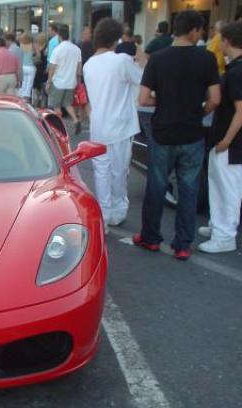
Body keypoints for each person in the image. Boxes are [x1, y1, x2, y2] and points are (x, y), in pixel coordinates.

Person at [134, 10, 221, 260]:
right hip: (192, 133)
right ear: (194, 30)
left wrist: (163, 100)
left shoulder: (158, 59)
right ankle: (183, 244)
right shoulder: (206, 59)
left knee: (156, 186)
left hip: (162, 132)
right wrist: (199, 110)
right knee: (189, 189)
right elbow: (215, 99)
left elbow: (143, 98)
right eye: (201, 30)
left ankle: (150, 237)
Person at [83, 18, 145, 230]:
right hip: (120, 125)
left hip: (98, 124)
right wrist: (142, 59)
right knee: (119, 170)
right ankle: (117, 210)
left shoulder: (89, 64)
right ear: (116, 38)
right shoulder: (122, 60)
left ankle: (104, 213)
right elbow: (142, 80)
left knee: (101, 170)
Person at [198, 22, 242, 253]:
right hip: (226, 141)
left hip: (230, 143)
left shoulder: (237, 72)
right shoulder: (234, 69)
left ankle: (225, 235)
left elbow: (241, 111)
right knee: (219, 185)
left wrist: (226, 139)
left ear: (226, 41)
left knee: (228, 189)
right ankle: (218, 226)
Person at [47, 24, 82, 133]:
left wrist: (49, 81)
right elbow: (79, 66)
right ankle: (76, 120)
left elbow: (52, 67)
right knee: (67, 104)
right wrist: (78, 80)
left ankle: (60, 127)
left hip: (58, 82)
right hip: (71, 82)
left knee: (56, 105)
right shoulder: (76, 49)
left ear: (59, 36)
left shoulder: (57, 50)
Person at [17, 33, 36, 102]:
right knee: (29, 83)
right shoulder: (33, 45)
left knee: (24, 82)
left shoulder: (21, 45)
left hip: (23, 66)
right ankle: (27, 97)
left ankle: (22, 96)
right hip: (31, 66)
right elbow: (38, 54)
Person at [33, 33, 48, 107]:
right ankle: (40, 105)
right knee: (40, 90)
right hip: (41, 69)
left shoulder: (43, 48)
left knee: (40, 90)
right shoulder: (45, 47)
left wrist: (36, 50)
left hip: (40, 69)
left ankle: (39, 106)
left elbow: (39, 57)